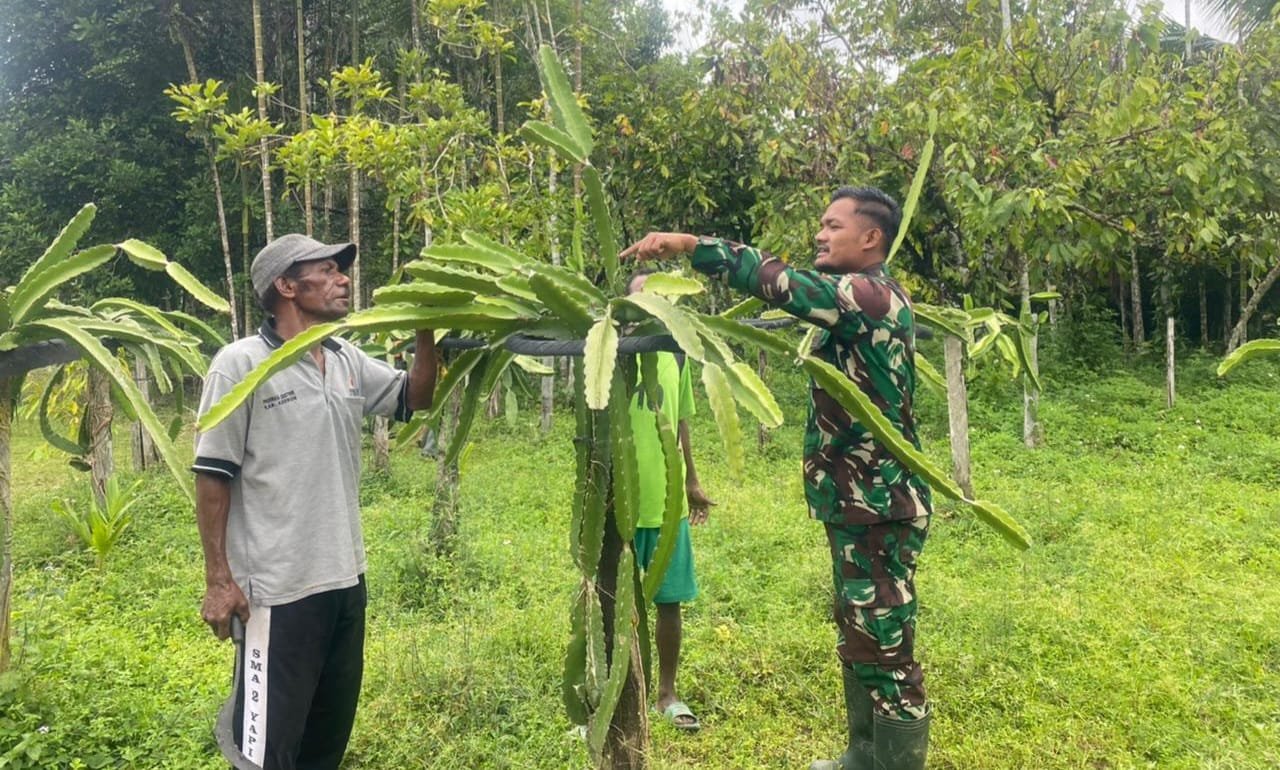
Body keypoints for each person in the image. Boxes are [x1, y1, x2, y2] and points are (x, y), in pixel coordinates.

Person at [620, 187, 933, 770]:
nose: (820, 234)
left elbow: (778, 281)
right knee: (860, 631)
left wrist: (687, 244)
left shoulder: (867, 295)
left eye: (833, 225)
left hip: (880, 504)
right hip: (859, 502)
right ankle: (862, 757)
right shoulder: (861, 297)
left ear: (871, 238)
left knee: (886, 645)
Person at [193, 233, 438, 769]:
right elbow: (212, 476)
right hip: (277, 594)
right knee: (265, 750)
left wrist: (426, 324)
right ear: (286, 286)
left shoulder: (345, 358)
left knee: (326, 740)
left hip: (345, 582)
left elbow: (415, 395)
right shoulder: (240, 364)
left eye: (339, 269)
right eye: (326, 270)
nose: (342, 279)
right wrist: (218, 580)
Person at [626, 271, 716, 733]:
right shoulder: (609, 352)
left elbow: (681, 422)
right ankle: (614, 695)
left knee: (669, 602)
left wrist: (692, 481)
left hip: (667, 503)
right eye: (643, 296)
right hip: (620, 502)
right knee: (612, 602)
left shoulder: (676, 354)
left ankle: (666, 693)